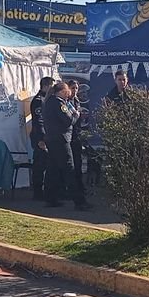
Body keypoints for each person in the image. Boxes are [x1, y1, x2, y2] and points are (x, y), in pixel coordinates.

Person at [43, 81, 87, 210]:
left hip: (51, 139)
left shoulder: (49, 102)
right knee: (69, 169)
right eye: (67, 91)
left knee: (53, 169)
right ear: (62, 91)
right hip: (61, 139)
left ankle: (51, 198)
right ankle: (79, 201)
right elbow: (68, 121)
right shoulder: (59, 103)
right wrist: (76, 115)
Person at [28, 76, 54, 200]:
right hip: (40, 137)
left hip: (48, 136)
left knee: (47, 164)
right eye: (52, 86)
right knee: (39, 165)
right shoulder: (38, 100)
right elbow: (39, 122)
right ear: (46, 86)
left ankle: (47, 190)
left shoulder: (48, 99)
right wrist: (41, 139)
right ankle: (37, 192)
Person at [66, 79, 88, 203]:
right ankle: (71, 189)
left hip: (77, 135)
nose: (74, 91)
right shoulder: (66, 101)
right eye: (72, 88)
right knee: (71, 164)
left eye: (76, 88)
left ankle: (80, 186)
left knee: (78, 163)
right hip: (69, 136)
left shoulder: (76, 101)